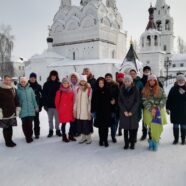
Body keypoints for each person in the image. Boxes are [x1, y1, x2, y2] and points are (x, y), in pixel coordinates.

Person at [142, 74, 167, 151]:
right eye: (150, 80)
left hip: (159, 110)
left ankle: (156, 140)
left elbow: (164, 98)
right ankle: (151, 141)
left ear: (156, 81)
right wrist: (151, 108)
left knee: (157, 125)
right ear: (148, 81)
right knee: (150, 127)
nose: (152, 82)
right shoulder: (144, 89)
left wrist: (158, 107)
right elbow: (144, 100)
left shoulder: (160, 89)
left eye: (153, 80)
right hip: (148, 111)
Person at [118, 75, 140, 150]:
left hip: (132, 113)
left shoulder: (135, 89)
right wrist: (124, 111)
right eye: (125, 81)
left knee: (132, 129)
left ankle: (132, 143)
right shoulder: (121, 89)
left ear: (131, 81)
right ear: (124, 82)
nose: (127, 83)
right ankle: (126, 143)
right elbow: (120, 101)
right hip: (124, 112)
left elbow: (137, 101)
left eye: (128, 81)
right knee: (126, 129)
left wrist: (131, 111)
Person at [91, 77, 112, 147]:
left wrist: (112, 103)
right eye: (100, 83)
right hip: (98, 112)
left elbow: (111, 100)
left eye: (102, 83)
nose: (101, 84)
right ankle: (101, 139)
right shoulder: (95, 90)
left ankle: (105, 140)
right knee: (100, 127)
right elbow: (93, 102)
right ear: (98, 83)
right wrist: (93, 111)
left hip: (106, 112)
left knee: (105, 127)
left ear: (104, 83)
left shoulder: (107, 90)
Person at [17, 77, 38, 143]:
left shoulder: (30, 89)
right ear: (20, 82)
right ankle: (27, 136)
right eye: (22, 82)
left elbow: (33, 99)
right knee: (24, 124)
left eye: (24, 81)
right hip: (22, 110)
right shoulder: (18, 90)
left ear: (26, 82)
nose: (23, 83)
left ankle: (30, 136)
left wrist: (36, 106)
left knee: (30, 124)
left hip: (30, 109)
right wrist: (17, 108)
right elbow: (17, 101)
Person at [0, 75, 20, 147]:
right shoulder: (1, 89)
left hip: (12, 111)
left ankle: (10, 140)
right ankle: (7, 142)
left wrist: (17, 108)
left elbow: (16, 99)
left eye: (9, 80)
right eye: (6, 80)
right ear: (3, 80)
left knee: (10, 127)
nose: (8, 81)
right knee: (6, 128)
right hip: (4, 112)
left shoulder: (13, 89)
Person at [166, 74, 186, 145]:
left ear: (184, 80)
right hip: (175, 110)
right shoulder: (173, 88)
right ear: (177, 81)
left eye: (182, 80)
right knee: (175, 126)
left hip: (184, 111)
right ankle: (176, 139)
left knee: (184, 126)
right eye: (179, 80)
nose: (181, 81)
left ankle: (183, 139)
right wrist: (167, 108)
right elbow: (169, 99)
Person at [55, 77, 76, 143]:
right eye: (64, 83)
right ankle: (64, 136)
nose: (66, 84)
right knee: (63, 124)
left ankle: (71, 135)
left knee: (72, 124)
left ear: (69, 83)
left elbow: (73, 100)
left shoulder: (71, 91)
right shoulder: (59, 92)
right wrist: (59, 109)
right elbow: (56, 102)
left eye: (67, 83)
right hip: (63, 111)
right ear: (62, 83)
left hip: (70, 110)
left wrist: (73, 109)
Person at [74, 75, 92, 144]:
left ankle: (89, 137)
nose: (83, 82)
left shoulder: (89, 89)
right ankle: (83, 137)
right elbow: (76, 100)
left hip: (85, 110)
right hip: (79, 111)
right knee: (80, 125)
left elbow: (90, 101)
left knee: (86, 125)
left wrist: (89, 111)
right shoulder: (78, 89)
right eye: (81, 80)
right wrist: (75, 110)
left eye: (84, 80)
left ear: (86, 81)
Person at [42, 70, 62, 137]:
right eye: (52, 76)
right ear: (50, 76)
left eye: (55, 76)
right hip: (49, 106)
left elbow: (62, 95)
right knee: (50, 119)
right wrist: (45, 105)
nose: (53, 77)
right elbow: (43, 95)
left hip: (57, 106)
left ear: (56, 76)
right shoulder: (46, 84)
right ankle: (51, 130)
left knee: (57, 120)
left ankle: (58, 130)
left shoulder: (59, 84)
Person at [105, 73, 119, 143]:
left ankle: (113, 136)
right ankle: (105, 136)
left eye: (109, 77)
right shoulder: (103, 85)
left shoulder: (115, 85)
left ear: (111, 78)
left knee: (114, 123)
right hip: (106, 108)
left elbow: (118, 95)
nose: (108, 78)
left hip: (114, 107)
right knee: (107, 123)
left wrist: (115, 101)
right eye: (107, 77)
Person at [29, 73, 43, 139]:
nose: (32, 78)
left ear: (35, 78)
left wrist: (40, 106)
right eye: (31, 77)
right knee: (29, 121)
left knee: (36, 121)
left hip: (36, 106)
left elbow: (41, 96)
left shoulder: (38, 86)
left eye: (34, 77)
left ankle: (37, 133)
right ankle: (29, 134)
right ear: (29, 78)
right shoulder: (27, 86)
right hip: (28, 106)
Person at [69, 72, 80, 136]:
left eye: (74, 77)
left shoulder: (79, 86)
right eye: (72, 77)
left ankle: (77, 131)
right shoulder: (69, 86)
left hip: (78, 105)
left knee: (77, 119)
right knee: (72, 119)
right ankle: (72, 131)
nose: (73, 79)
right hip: (71, 105)